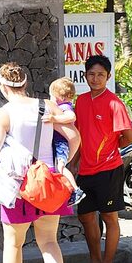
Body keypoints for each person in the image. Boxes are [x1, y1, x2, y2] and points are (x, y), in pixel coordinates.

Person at [0, 62, 80, 263]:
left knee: (14, 244)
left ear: (4, 87)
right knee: (49, 242)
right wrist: (61, 162)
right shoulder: (47, 106)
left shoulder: (3, 114)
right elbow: (74, 137)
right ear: (25, 84)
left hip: (18, 186)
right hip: (48, 184)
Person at [72, 55, 132, 263]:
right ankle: (95, 262)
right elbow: (78, 136)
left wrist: (112, 147)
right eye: (91, 74)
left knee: (109, 217)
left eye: (100, 74)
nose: (95, 78)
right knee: (86, 217)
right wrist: (72, 165)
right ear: (85, 75)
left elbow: (129, 136)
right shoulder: (80, 101)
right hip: (86, 171)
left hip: (109, 168)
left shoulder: (114, 103)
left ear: (108, 76)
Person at [47, 77, 85, 206]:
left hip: (61, 143)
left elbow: (71, 116)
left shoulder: (64, 107)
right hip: (59, 142)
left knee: (61, 167)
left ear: (59, 98)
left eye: (52, 96)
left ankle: (75, 190)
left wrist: (53, 118)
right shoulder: (63, 105)